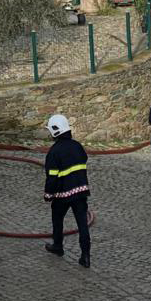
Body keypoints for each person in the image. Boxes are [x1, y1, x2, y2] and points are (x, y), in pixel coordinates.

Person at [42, 113, 91, 268]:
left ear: (55, 131)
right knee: (82, 224)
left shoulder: (54, 152)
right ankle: (85, 256)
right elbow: (84, 160)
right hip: (81, 191)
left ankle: (58, 246)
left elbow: (52, 178)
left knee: (57, 217)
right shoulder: (78, 146)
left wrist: (48, 195)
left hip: (63, 194)